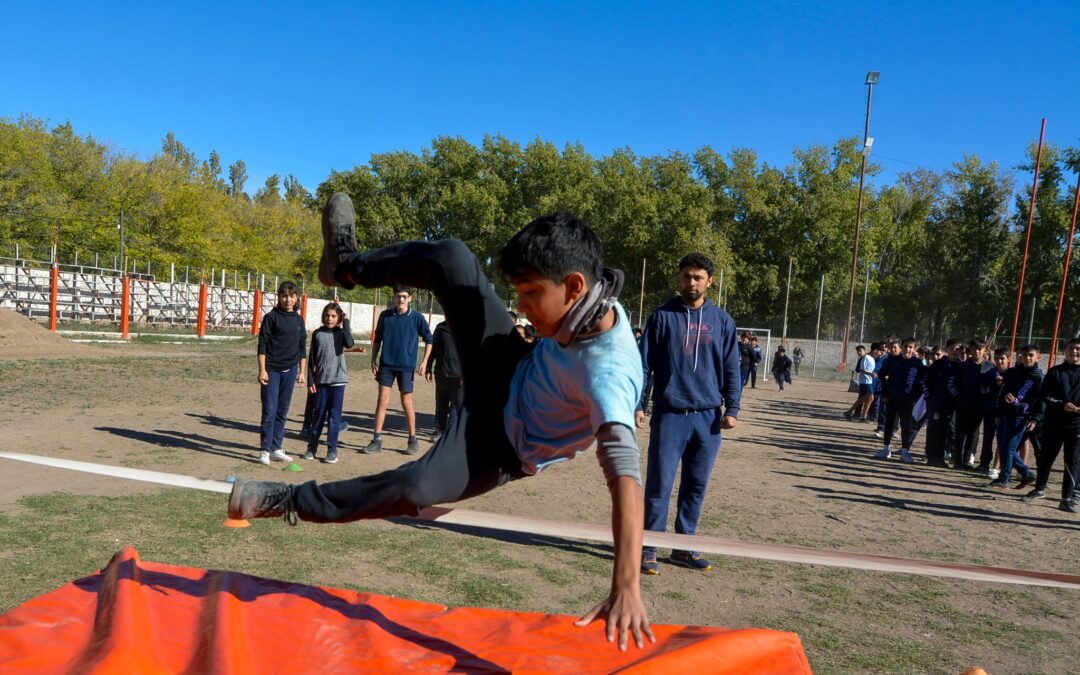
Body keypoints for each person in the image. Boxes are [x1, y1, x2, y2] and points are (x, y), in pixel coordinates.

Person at [229, 201, 654, 651]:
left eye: (529, 294)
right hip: (509, 365)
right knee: (452, 257)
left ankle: (283, 499)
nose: (522, 307)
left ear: (574, 287)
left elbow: (626, 476)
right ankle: (344, 266)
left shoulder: (610, 374)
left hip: (501, 445)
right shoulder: (581, 300)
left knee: (416, 486)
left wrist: (626, 586)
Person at [636, 253, 741, 574]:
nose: (691, 283)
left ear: (709, 281)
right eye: (686, 276)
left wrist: (732, 407)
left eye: (697, 277)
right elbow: (644, 366)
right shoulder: (662, 317)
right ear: (679, 279)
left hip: (708, 418)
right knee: (659, 485)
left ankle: (684, 547)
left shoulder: (722, 321)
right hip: (670, 415)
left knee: (696, 486)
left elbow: (731, 367)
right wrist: (638, 404)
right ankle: (648, 548)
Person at [361, 286, 433, 456]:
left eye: (404, 296)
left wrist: (424, 362)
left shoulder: (417, 318)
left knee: (406, 402)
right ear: (394, 298)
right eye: (398, 296)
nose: (400, 299)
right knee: (382, 400)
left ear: (410, 299)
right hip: (386, 365)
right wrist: (373, 359)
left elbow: (429, 339)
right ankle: (376, 440)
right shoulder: (385, 316)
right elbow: (377, 339)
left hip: (406, 367)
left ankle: (412, 440)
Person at [1023, 338, 1080, 512]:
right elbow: (1044, 396)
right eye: (1071, 349)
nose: (1075, 352)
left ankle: (1067, 498)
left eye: (1078, 349)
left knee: (1073, 461)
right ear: (1066, 350)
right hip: (1054, 423)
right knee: (1046, 457)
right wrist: (1062, 404)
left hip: (1076, 425)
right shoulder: (1055, 372)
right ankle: (1039, 489)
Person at [255, 281, 307, 465]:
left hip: (290, 370)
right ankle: (264, 450)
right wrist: (262, 369)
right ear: (279, 297)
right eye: (284, 295)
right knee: (269, 411)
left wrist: (302, 372)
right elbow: (262, 344)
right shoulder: (271, 317)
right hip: (271, 370)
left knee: (282, 412)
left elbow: (302, 348)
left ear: (296, 298)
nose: (287, 299)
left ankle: (276, 448)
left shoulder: (299, 320)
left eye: (291, 296)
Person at [302, 303, 353, 464]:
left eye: (333, 316)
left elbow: (349, 343)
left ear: (338, 318)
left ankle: (332, 450)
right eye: (327, 315)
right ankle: (312, 448)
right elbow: (311, 360)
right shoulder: (317, 333)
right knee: (318, 416)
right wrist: (311, 379)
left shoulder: (340, 333)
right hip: (321, 381)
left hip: (338, 381)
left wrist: (346, 323)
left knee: (334, 417)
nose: (329, 318)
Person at [988, 344, 1042, 490]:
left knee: (1009, 447)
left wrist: (1035, 417)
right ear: (1020, 356)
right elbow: (1004, 390)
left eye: (1031, 355)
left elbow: (1040, 400)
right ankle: (1025, 473)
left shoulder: (1038, 377)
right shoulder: (1013, 372)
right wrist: (1005, 398)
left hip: (1022, 417)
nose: (1028, 358)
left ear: (1038, 356)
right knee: (1004, 446)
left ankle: (1006, 479)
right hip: (1006, 414)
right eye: (1025, 355)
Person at [874, 338, 926, 463]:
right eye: (905, 346)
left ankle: (905, 452)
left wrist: (914, 395)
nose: (907, 349)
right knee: (889, 423)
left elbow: (922, 382)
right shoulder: (892, 360)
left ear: (914, 349)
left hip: (908, 400)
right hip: (892, 398)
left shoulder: (918, 364)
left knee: (906, 425)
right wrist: (886, 392)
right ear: (902, 347)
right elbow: (881, 375)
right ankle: (886, 449)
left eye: (910, 347)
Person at [949, 339, 990, 470]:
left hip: (979, 407)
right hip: (963, 406)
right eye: (974, 349)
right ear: (970, 350)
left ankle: (967, 460)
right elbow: (952, 384)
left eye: (980, 349)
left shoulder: (989, 368)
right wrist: (958, 397)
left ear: (985, 351)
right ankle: (957, 461)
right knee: (960, 433)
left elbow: (993, 387)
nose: (977, 352)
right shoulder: (963, 366)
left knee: (973, 434)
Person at [924, 339, 962, 467]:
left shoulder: (960, 366)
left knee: (948, 431)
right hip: (937, 404)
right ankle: (932, 457)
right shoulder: (938, 364)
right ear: (947, 350)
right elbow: (927, 382)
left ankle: (944, 457)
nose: (954, 352)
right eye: (952, 348)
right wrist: (930, 398)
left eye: (957, 349)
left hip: (952, 405)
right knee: (935, 429)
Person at [425, 320, 463, 442]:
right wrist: (428, 367)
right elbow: (433, 349)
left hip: (459, 377)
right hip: (442, 373)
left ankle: (454, 434)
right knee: (441, 404)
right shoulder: (441, 328)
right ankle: (440, 431)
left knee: (458, 405)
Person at [977, 348, 1010, 478]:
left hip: (1005, 413)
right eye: (997, 358)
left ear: (1008, 359)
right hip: (990, 411)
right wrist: (993, 385)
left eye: (1002, 358)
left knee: (1003, 439)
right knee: (987, 437)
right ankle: (984, 463)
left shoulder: (1012, 374)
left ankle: (999, 467)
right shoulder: (990, 373)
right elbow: (982, 390)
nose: (999, 361)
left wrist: (1003, 384)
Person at [843, 345, 876, 421]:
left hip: (868, 381)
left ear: (865, 350)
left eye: (860, 351)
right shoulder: (865, 358)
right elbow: (861, 370)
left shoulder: (869, 358)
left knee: (866, 398)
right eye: (858, 351)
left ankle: (855, 413)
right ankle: (858, 414)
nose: (859, 353)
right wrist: (871, 374)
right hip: (865, 381)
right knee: (869, 398)